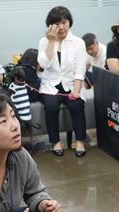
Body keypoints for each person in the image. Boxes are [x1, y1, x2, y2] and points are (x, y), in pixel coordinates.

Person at [37, 6, 88, 157]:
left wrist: (76, 91)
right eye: (57, 24)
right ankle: (55, 142)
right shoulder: (44, 41)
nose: (61, 27)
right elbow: (43, 65)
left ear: (69, 23)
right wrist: (52, 42)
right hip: (50, 85)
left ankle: (80, 141)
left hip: (72, 84)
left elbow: (80, 70)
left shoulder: (78, 43)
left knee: (76, 105)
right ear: (50, 26)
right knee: (51, 107)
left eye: (64, 22)